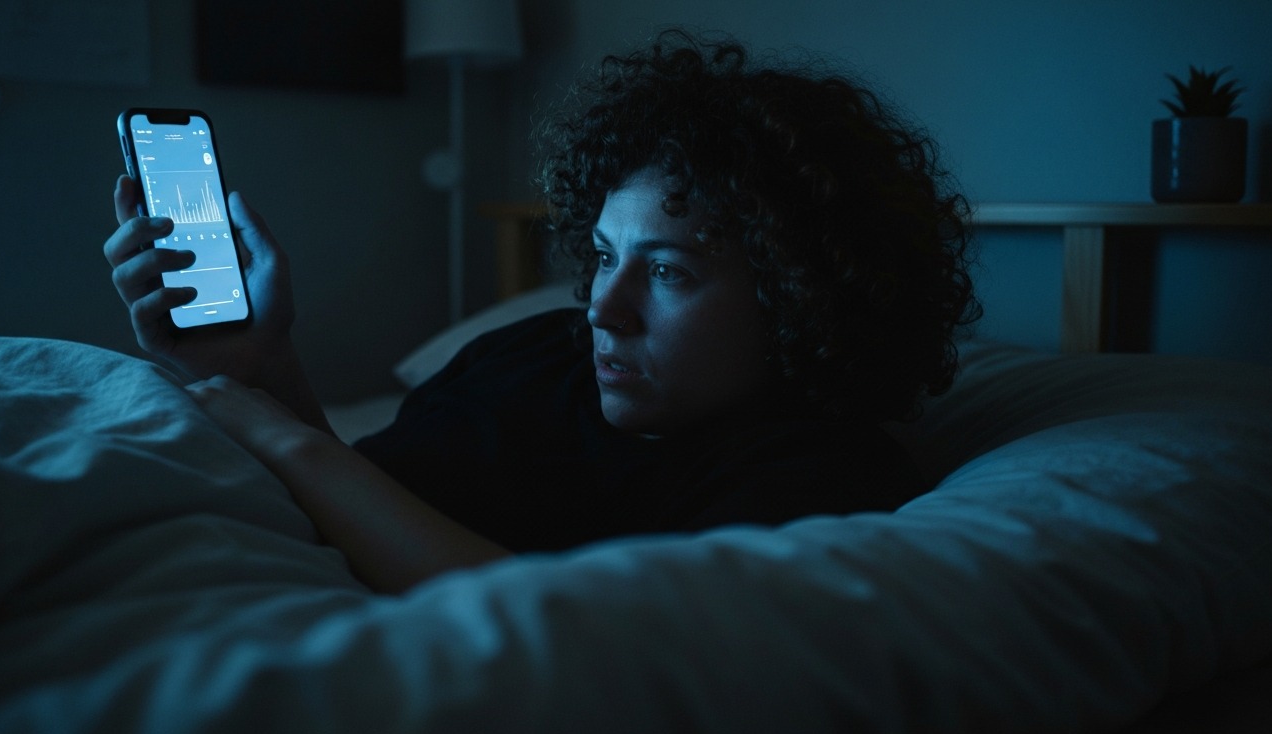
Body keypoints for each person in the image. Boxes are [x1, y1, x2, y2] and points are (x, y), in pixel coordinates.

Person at [102, 29, 979, 595]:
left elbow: (552, 624)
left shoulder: (813, 481)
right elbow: (357, 493)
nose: (605, 307)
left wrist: (280, 437)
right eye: (603, 256)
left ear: (803, 294)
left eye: (667, 272)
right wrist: (260, 363)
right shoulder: (529, 352)